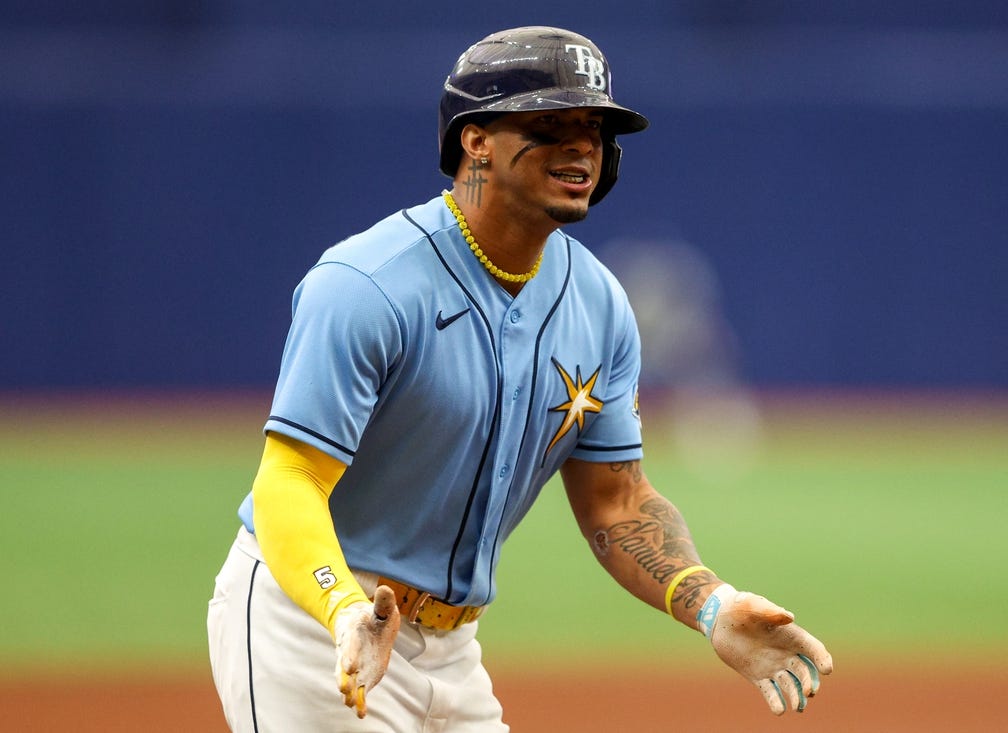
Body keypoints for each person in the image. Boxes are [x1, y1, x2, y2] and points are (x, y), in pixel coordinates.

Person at [207, 25, 832, 732]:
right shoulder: (365, 285)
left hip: (454, 650)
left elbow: (617, 502)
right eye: (551, 122)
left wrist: (711, 602)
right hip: (312, 626)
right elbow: (287, 479)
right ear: (475, 139)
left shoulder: (597, 303)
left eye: (594, 127)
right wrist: (343, 608)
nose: (582, 146)